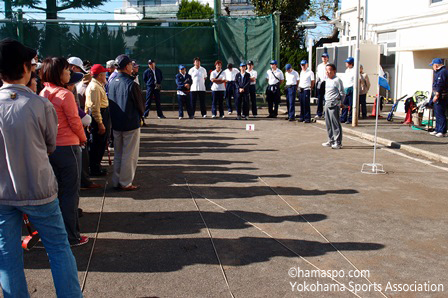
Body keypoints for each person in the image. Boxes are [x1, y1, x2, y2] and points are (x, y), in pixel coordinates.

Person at [0, 38, 83, 298]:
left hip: (2, 192)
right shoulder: (39, 104)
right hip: (38, 189)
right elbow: (50, 144)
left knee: (7, 255)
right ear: (26, 68)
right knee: (58, 248)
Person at [40, 57, 89, 247]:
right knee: (70, 193)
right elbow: (75, 121)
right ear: (59, 73)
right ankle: (72, 236)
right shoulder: (64, 94)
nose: (69, 73)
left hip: (52, 149)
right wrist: (83, 138)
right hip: (69, 147)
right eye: (67, 70)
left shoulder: (44, 92)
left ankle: (57, 234)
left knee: (57, 192)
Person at [108, 54, 145, 191]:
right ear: (127, 66)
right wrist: (141, 116)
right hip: (130, 123)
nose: (132, 67)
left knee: (118, 153)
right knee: (129, 154)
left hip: (116, 123)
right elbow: (140, 106)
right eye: (131, 64)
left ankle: (117, 180)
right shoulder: (131, 84)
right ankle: (126, 182)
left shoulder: (112, 82)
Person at [85, 64, 110, 177]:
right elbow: (95, 107)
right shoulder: (94, 87)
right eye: (104, 73)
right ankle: (94, 168)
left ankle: (96, 166)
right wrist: (100, 123)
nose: (106, 75)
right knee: (97, 144)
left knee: (99, 143)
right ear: (100, 75)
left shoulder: (97, 85)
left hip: (100, 114)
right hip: (99, 115)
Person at [322, 63, 345, 149]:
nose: (327, 72)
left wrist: (340, 102)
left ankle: (338, 142)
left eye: (329, 70)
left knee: (335, 123)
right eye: (326, 70)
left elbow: (342, 93)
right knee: (328, 123)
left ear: (334, 71)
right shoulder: (327, 79)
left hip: (334, 103)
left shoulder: (337, 80)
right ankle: (331, 140)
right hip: (327, 102)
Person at [429, 58, 448, 137]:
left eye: (433, 65)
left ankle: (442, 131)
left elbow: (440, 84)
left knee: (440, 113)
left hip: (441, 96)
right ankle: (437, 129)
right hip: (437, 94)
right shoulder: (438, 72)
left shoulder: (442, 72)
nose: (432, 67)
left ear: (436, 65)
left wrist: (437, 95)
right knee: (437, 113)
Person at [340, 57, 355, 124]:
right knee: (344, 104)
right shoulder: (347, 70)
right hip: (345, 88)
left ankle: (351, 118)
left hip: (351, 88)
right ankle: (343, 117)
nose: (346, 63)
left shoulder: (354, 70)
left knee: (351, 105)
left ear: (350, 63)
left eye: (347, 62)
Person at [315, 53, 329, 119]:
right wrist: (316, 82)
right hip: (320, 82)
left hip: (327, 82)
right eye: (323, 57)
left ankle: (326, 113)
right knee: (320, 99)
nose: (324, 58)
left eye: (325, 57)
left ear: (327, 58)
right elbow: (317, 75)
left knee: (327, 99)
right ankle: (319, 113)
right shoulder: (319, 66)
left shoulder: (329, 65)